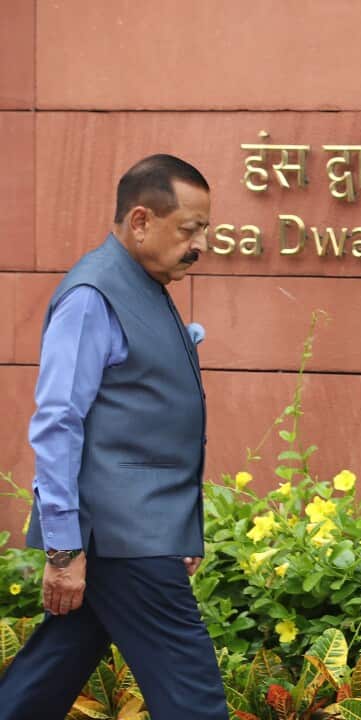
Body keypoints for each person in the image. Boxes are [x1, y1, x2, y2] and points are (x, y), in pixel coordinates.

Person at [0, 154, 226, 719]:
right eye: (189, 230)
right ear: (142, 221)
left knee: (45, 679)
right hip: (121, 540)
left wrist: (176, 525)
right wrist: (63, 548)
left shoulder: (143, 285)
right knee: (193, 699)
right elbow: (57, 423)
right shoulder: (92, 296)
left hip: (132, 535)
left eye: (203, 229)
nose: (199, 244)